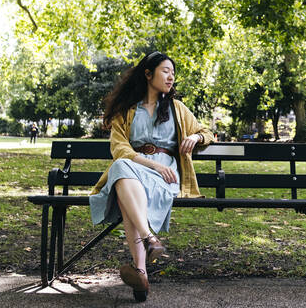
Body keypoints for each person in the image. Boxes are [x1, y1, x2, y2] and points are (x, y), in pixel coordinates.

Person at [89, 51, 213, 302]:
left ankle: (141, 270)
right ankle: (148, 241)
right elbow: (120, 149)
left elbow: (207, 133)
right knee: (122, 168)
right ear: (148, 74)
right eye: (165, 71)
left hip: (166, 174)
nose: (171, 77)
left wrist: (195, 137)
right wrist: (150, 165)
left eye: (173, 73)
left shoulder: (177, 109)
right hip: (138, 168)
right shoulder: (127, 111)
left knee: (125, 188)